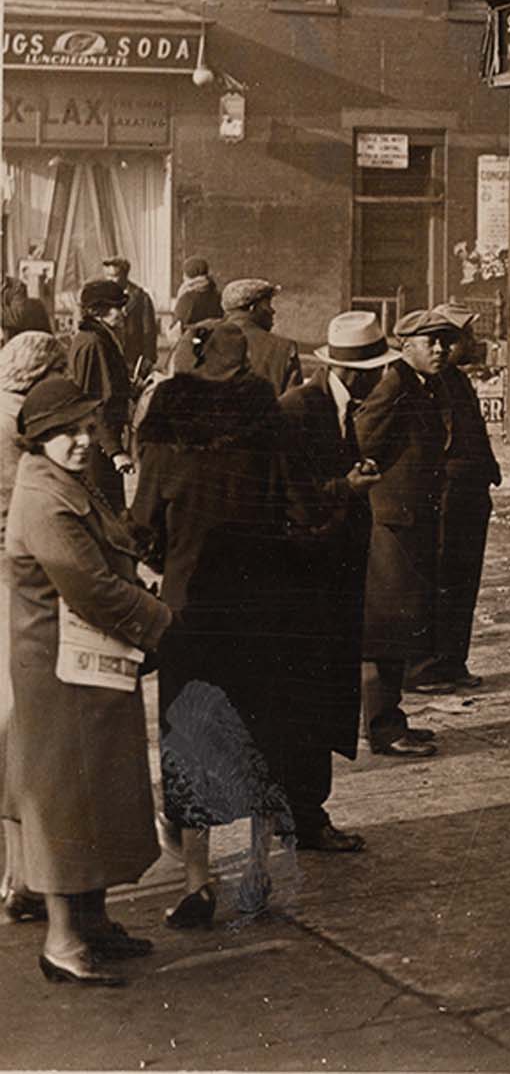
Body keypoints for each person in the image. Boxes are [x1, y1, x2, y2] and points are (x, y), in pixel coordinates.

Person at [4, 376, 175, 985]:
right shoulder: (43, 498)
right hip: (60, 674)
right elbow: (90, 585)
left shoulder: (63, 481)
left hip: (88, 665)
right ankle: (63, 941)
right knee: (65, 806)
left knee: (97, 795)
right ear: (39, 438)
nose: (81, 441)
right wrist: (161, 620)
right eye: (65, 433)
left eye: (85, 429)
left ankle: (94, 922)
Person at [131, 323, 301, 929]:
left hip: (190, 608)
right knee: (259, 729)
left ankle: (198, 882)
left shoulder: (167, 433)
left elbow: (143, 523)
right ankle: (258, 871)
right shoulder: (268, 425)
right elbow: (293, 507)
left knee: (190, 739)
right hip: (260, 605)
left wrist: (162, 559)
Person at [276, 314, 395, 849]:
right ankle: (305, 816)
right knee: (311, 697)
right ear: (355, 373)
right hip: (308, 578)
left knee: (322, 695)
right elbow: (293, 493)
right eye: (372, 370)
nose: (377, 379)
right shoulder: (302, 409)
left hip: (333, 572)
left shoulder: (338, 406)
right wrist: (346, 487)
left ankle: (301, 810)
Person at [350, 311, 454, 757]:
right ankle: (384, 728)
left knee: (395, 625)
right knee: (386, 627)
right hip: (390, 521)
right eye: (429, 342)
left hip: (406, 518)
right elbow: (360, 441)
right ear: (404, 344)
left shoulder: (420, 384)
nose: (439, 350)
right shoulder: (395, 383)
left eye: (444, 342)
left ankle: (382, 720)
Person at [0, 331, 67, 925]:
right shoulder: (27, 428)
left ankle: (15, 873)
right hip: (18, 586)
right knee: (23, 729)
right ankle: (25, 877)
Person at [410, 306, 500, 694]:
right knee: (439, 582)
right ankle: (426, 666)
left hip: (469, 496)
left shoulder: (456, 380)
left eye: (453, 339)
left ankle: (452, 660)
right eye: (457, 338)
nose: (461, 345)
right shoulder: (424, 385)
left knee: (463, 582)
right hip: (445, 497)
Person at [62, 281, 136, 514]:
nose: (122, 313)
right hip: (98, 444)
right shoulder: (94, 343)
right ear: (97, 311)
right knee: (106, 513)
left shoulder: (97, 337)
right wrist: (115, 451)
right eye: (116, 307)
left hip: (98, 439)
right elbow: (94, 401)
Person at [199, 279, 301, 394]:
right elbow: (293, 403)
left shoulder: (203, 340)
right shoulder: (284, 348)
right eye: (268, 304)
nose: (273, 311)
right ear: (252, 308)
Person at [98, 259, 158, 383]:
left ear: (125, 276)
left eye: (114, 276)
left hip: (133, 359)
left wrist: (148, 358)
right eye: (107, 276)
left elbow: (149, 331)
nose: (109, 280)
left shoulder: (141, 297)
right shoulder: (101, 297)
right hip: (109, 358)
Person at [170, 258, 222, 333]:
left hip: (192, 340)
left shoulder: (187, 297)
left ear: (187, 275)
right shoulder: (217, 295)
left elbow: (177, 327)